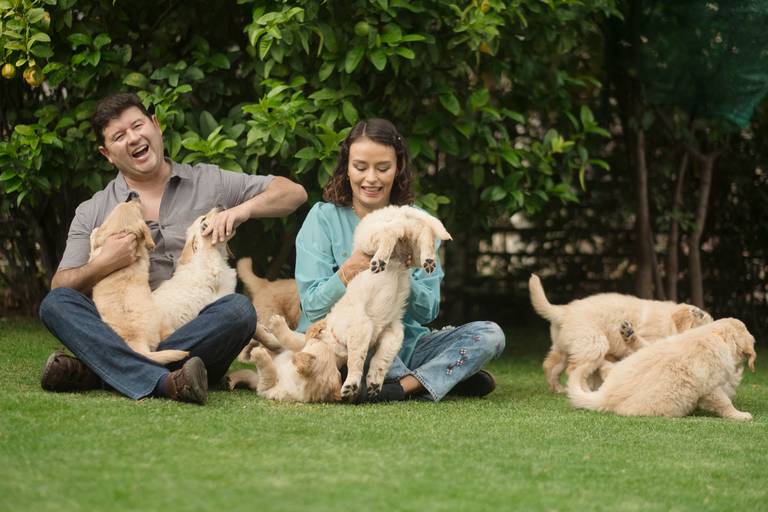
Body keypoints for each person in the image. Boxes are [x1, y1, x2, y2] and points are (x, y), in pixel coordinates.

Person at [38, 92, 307, 405]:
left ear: (156, 125)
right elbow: (61, 286)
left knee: (238, 310)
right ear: (107, 154)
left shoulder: (210, 181)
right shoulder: (94, 210)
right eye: (119, 136)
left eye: (138, 126)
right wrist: (103, 263)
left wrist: (241, 210)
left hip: (195, 339)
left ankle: (99, 372)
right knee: (55, 303)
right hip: (127, 332)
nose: (133, 138)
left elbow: (294, 193)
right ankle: (166, 383)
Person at [294, 118, 505, 402]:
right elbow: (311, 305)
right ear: (346, 168)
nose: (371, 178)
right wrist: (348, 271)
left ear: (398, 168)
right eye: (360, 167)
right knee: (357, 335)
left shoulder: (416, 223)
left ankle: (403, 386)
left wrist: (402, 270)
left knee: (491, 335)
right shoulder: (322, 218)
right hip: (340, 343)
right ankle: (440, 378)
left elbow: (428, 311)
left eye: (383, 168)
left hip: (400, 343)